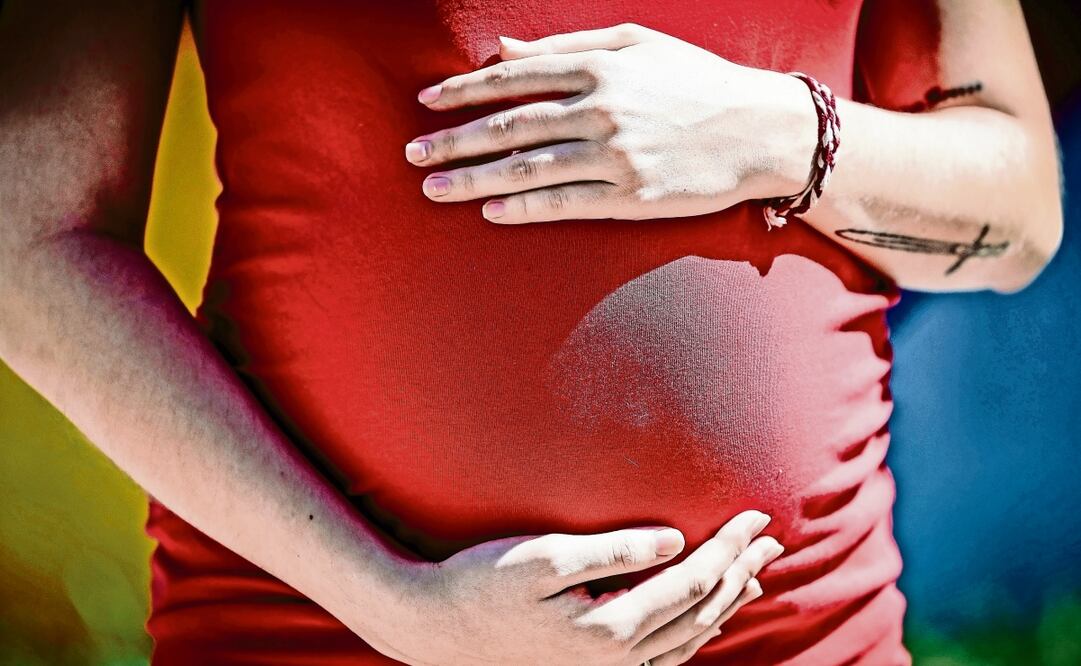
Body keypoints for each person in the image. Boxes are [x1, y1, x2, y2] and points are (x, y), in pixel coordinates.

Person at [0, 0, 1062, 664]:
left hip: (800, 631)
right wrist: (396, 608)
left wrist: (778, 135)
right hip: (313, 632)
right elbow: (24, 242)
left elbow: (1016, 222)